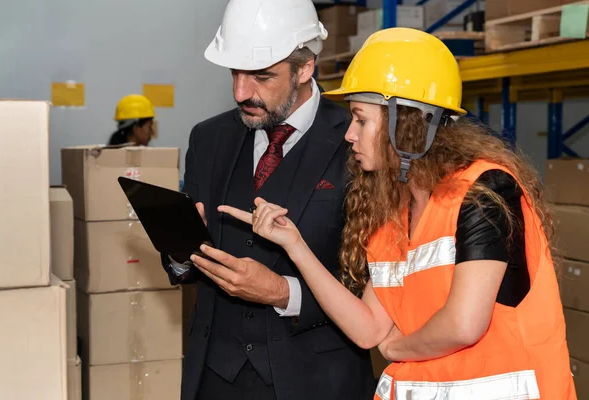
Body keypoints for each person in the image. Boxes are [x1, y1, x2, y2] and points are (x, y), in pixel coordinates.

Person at [199, 28, 577, 399]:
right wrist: (294, 244)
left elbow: (464, 324)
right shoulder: (395, 215)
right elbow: (368, 330)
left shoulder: (485, 190)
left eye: (361, 120)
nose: (349, 134)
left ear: (407, 123)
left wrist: (395, 350)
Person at [159, 1, 375, 399]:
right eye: (235, 73)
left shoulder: (361, 143)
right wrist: (178, 247)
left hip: (317, 378)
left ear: (305, 67)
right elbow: (185, 265)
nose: (242, 92)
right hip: (216, 376)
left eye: (260, 76)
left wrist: (282, 291)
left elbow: (378, 283)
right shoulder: (208, 138)